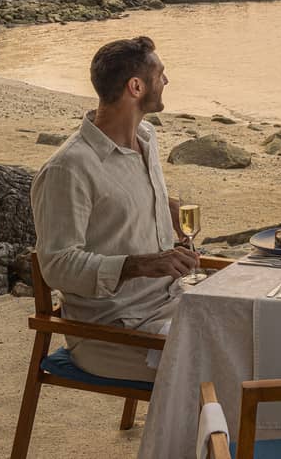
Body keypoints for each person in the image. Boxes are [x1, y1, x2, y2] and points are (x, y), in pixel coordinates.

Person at [30, 35, 197, 382]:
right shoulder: (70, 168)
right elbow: (57, 266)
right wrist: (142, 265)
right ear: (136, 86)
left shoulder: (146, 139)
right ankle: (205, 436)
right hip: (112, 332)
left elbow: (119, 202)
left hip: (171, 302)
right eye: (160, 74)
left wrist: (166, 211)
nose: (166, 81)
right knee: (228, 361)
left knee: (260, 327)